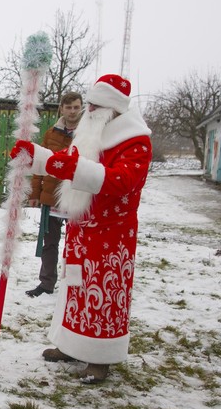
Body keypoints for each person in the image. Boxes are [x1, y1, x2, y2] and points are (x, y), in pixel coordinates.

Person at [11, 74, 152, 383]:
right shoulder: (90, 134)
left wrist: (74, 169)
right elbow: (66, 160)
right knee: (76, 288)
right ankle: (71, 343)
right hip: (82, 228)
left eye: (95, 105)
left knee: (103, 292)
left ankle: (99, 358)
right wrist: (35, 156)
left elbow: (124, 181)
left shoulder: (136, 141)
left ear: (112, 109)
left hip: (112, 234)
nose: (88, 110)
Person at [24, 92, 83, 297]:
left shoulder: (89, 132)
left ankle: (75, 285)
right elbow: (40, 163)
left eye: (76, 107)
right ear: (62, 109)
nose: (73, 111)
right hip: (52, 194)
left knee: (77, 243)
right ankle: (46, 283)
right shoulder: (51, 133)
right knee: (50, 243)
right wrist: (35, 192)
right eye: (69, 107)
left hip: (77, 194)